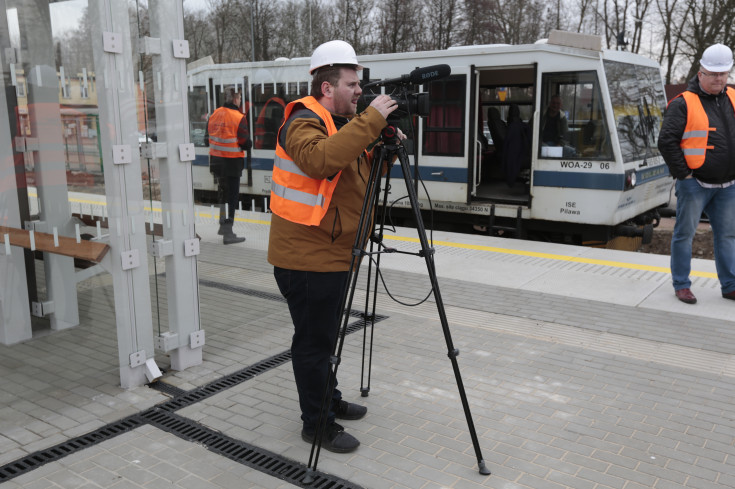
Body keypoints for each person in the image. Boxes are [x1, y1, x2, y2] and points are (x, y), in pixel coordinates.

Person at [267, 40, 402, 453]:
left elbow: (354, 174)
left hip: (333, 255)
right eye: (352, 84)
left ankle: (330, 398)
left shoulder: (340, 125)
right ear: (328, 88)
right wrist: (371, 121)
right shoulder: (302, 122)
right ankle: (317, 424)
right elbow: (320, 162)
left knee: (325, 339)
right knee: (313, 344)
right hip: (307, 260)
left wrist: (385, 145)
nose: (360, 91)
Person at [657, 43, 735, 304]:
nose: (718, 79)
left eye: (723, 73)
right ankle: (681, 284)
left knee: (727, 235)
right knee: (684, 234)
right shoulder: (683, 103)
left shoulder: (733, 98)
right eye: (713, 74)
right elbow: (666, 141)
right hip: (695, 184)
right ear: (700, 72)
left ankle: (730, 285)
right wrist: (684, 175)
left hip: (728, 185)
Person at [206, 87, 251, 244]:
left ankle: (222, 226)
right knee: (231, 198)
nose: (239, 100)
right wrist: (248, 144)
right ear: (234, 99)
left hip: (216, 162)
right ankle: (228, 232)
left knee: (222, 195)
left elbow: (207, 138)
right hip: (231, 163)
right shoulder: (239, 117)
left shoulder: (214, 114)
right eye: (239, 97)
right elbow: (245, 142)